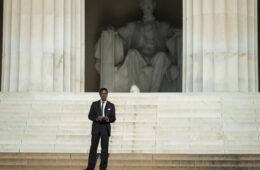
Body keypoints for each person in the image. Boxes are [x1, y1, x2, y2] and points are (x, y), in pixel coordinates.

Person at [84, 88, 116, 170]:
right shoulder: (94, 104)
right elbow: (90, 116)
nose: (104, 95)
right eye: (102, 93)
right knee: (93, 148)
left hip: (105, 128)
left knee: (104, 149)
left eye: (105, 93)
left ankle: (102, 168)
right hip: (96, 127)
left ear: (107, 94)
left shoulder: (111, 105)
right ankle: (90, 168)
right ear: (100, 94)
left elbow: (113, 118)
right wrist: (97, 118)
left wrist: (107, 118)